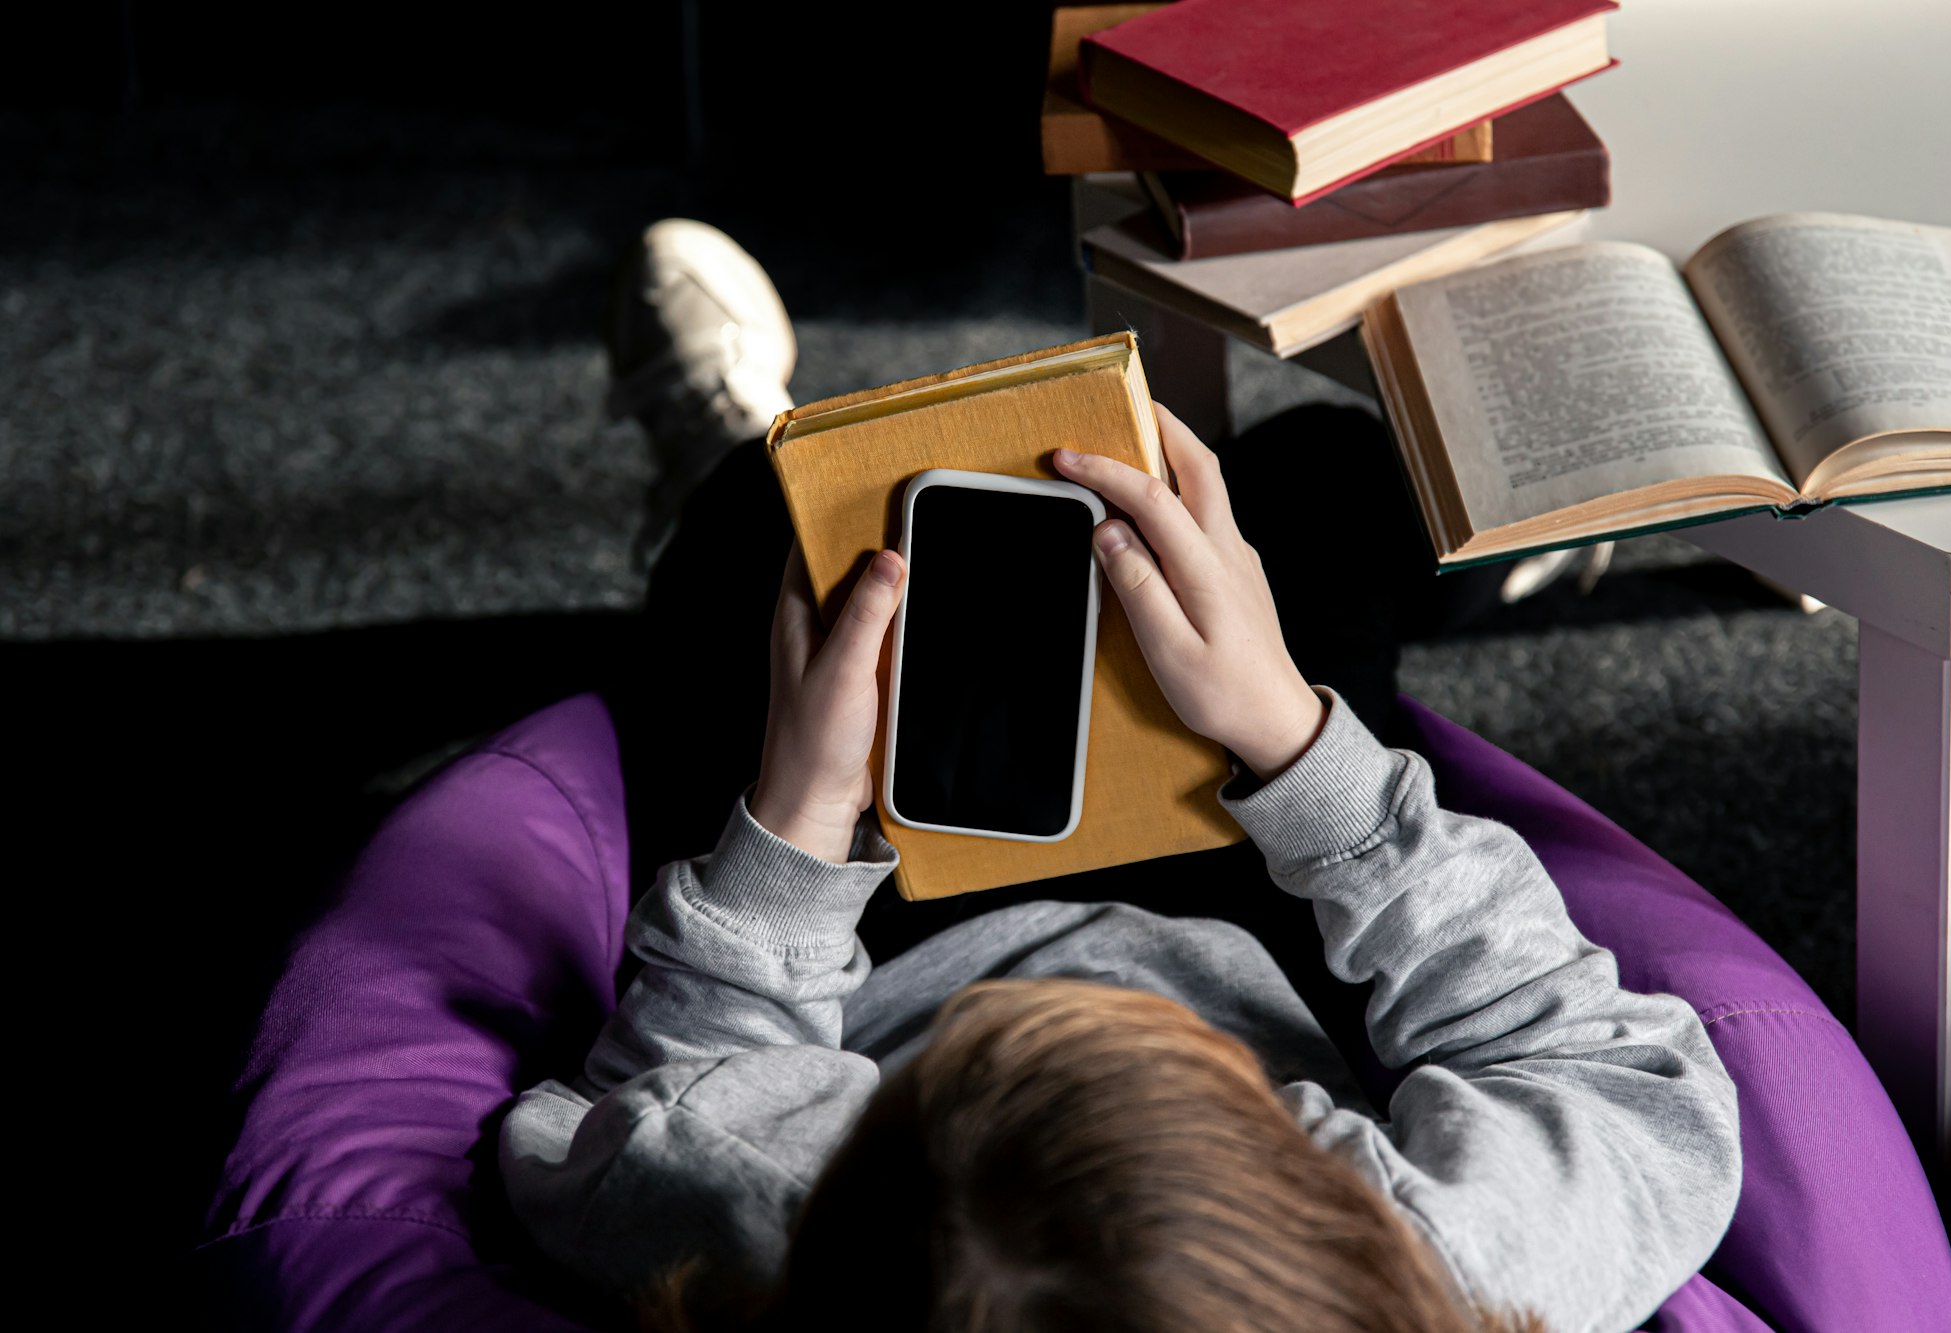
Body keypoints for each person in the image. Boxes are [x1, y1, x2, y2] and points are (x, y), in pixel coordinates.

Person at [499, 220, 1742, 1333]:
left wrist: (800, 820)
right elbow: (1615, 1078)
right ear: (1335, 1189)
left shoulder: (763, 1214)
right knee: (1317, 489)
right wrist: (1297, 747)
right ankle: (1514, 547)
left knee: (752, 554)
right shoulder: (1456, 1269)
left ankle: (733, 452)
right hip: (1275, 950)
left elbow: (642, 1109)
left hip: (873, 977)